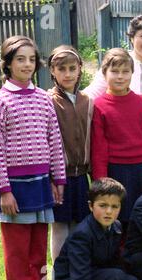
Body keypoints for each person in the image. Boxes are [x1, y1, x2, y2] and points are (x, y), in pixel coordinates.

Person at [0, 35, 66, 280]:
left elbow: (54, 141)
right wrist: (4, 190)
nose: (27, 64)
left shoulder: (44, 99)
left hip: (42, 186)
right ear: (7, 64)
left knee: (38, 255)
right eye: (20, 59)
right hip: (15, 191)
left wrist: (58, 181)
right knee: (17, 256)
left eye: (32, 59)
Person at [90, 48, 142, 226]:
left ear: (132, 73)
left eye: (125, 71)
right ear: (104, 74)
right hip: (115, 170)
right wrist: (101, 179)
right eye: (114, 71)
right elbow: (98, 146)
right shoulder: (98, 105)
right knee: (117, 218)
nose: (120, 76)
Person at [53, 177, 141, 280]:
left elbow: (114, 260)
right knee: (116, 277)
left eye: (114, 206)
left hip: (96, 273)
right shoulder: (82, 235)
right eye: (103, 205)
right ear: (91, 206)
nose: (109, 211)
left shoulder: (116, 226)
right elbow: (80, 276)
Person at [47, 45, 93, 262]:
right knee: (59, 226)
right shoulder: (47, 101)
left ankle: (77, 270)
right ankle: (60, 274)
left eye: (72, 68)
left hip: (81, 174)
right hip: (59, 176)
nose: (67, 74)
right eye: (61, 69)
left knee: (80, 224)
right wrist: (51, 177)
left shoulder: (87, 101)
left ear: (80, 69)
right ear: (52, 72)